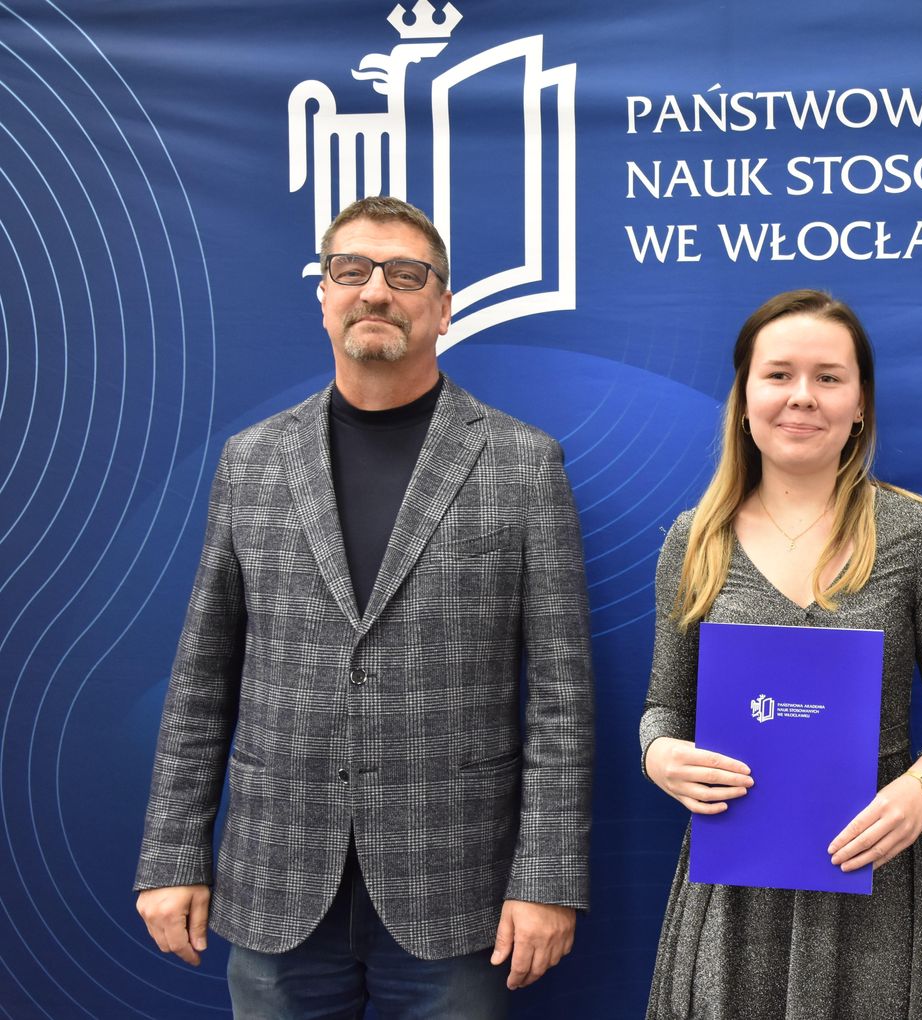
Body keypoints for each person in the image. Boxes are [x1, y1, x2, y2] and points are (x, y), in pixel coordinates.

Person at [133, 196, 594, 1016]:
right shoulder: (250, 462)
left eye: (406, 274)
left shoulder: (525, 465)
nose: (376, 290)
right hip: (276, 877)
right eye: (352, 270)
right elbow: (203, 678)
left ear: (443, 306)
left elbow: (562, 698)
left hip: (455, 886)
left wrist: (548, 878)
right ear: (324, 295)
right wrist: (172, 852)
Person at [640, 290, 922, 1020]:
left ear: (859, 404)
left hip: (876, 869)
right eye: (779, 375)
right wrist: (659, 756)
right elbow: (662, 708)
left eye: (829, 377)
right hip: (735, 887)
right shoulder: (694, 541)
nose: (802, 395)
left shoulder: (915, 534)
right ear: (744, 399)